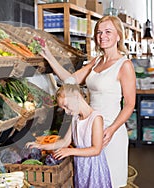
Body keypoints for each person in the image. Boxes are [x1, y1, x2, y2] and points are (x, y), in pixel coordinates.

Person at [40, 15, 136, 187]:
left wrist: (112, 129)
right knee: (92, 180)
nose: (102, 36)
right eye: (99, 32)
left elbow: (129, 104)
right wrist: (48, 55)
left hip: (110, 131)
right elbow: (70, 80)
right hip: (90, 127)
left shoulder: (124, 65)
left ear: (119, 36)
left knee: (110, 181)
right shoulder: (97, 61)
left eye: (108, 32)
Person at [26, 84, 112, 188]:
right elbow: (64, 142)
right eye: (63, 108)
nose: (66, 111)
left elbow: (96, 149)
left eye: (66, 106)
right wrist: (40, 146)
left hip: (93, 167)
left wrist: (70, 151)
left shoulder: (95, 118)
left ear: (76, 96)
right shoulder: (76, 118)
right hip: (81, 165)